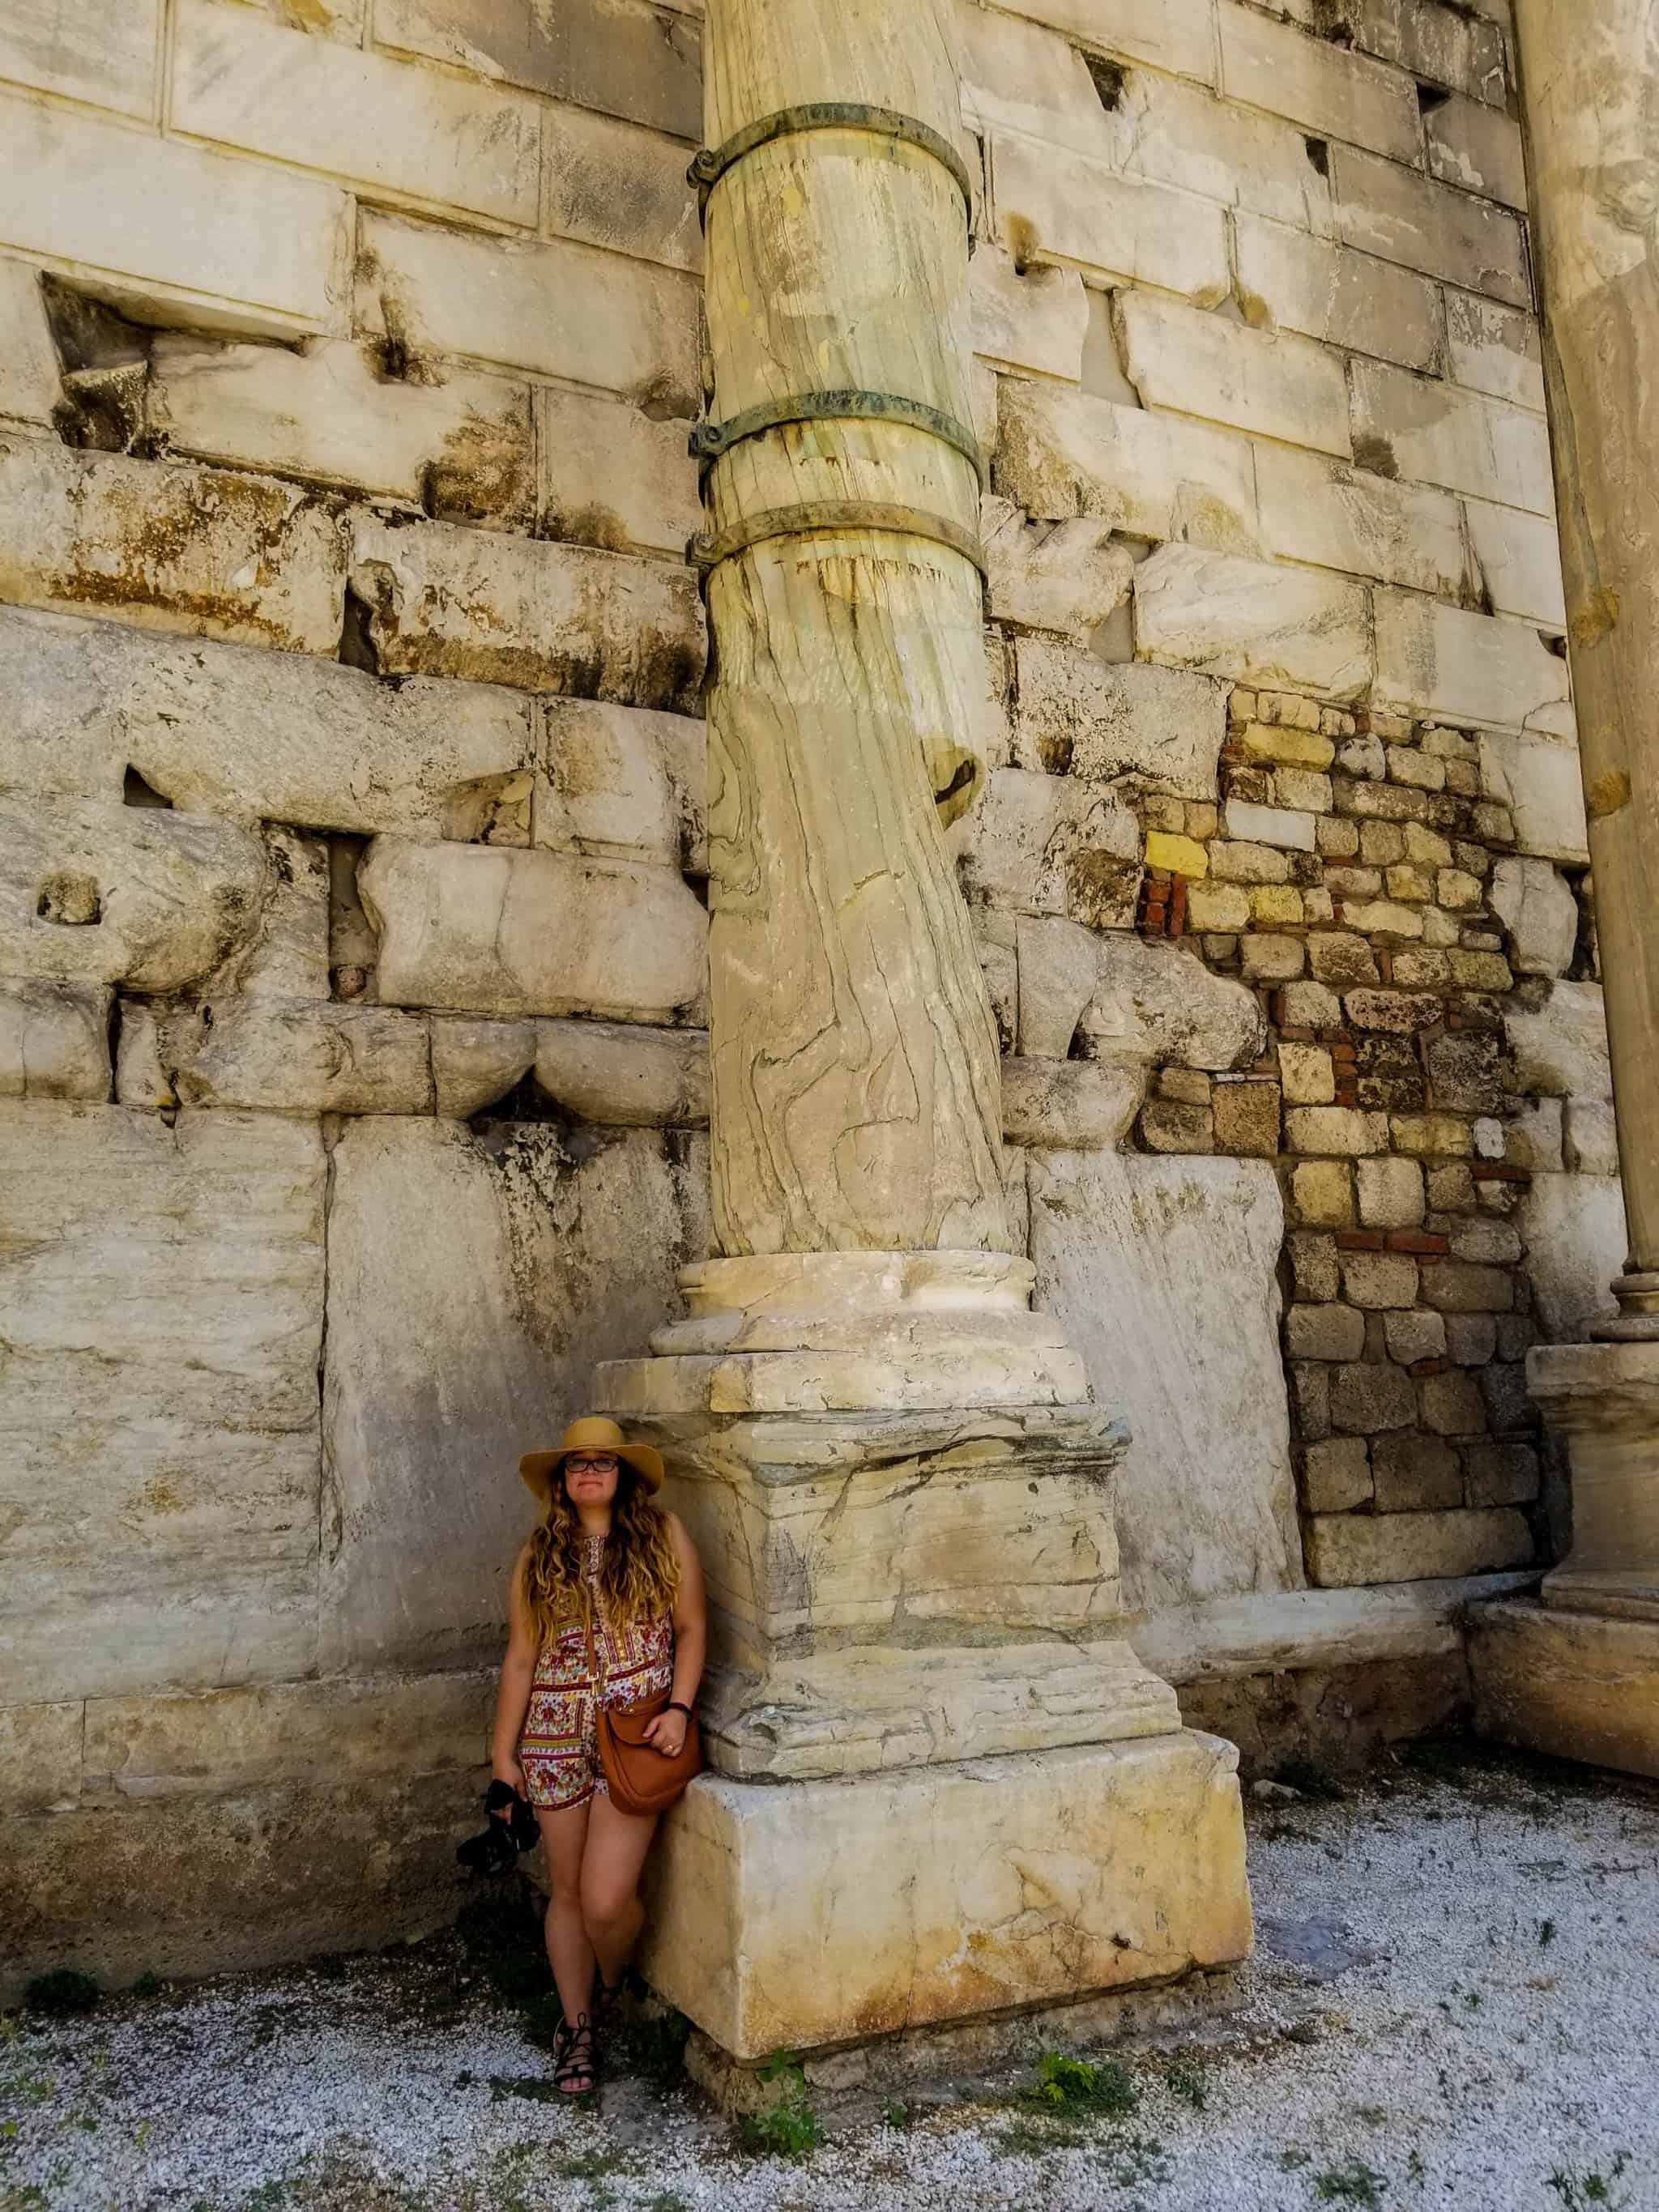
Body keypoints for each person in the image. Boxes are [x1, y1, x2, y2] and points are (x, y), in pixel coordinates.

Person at [489, 1415, 706, 2095]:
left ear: (624, 1476)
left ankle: (610, 1981)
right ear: (561, 1479)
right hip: (552, 1740)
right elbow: (521, 1658)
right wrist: (503, 1756)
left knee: (607, 1901)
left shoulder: (662, 1537)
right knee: (569, 1890)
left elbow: (694, 1628)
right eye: (577, 1462)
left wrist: (680, 1708)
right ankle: (577, 2026)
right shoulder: (537, 1555)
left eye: (603, 1462)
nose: (589, 1471)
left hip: (635, 1737)